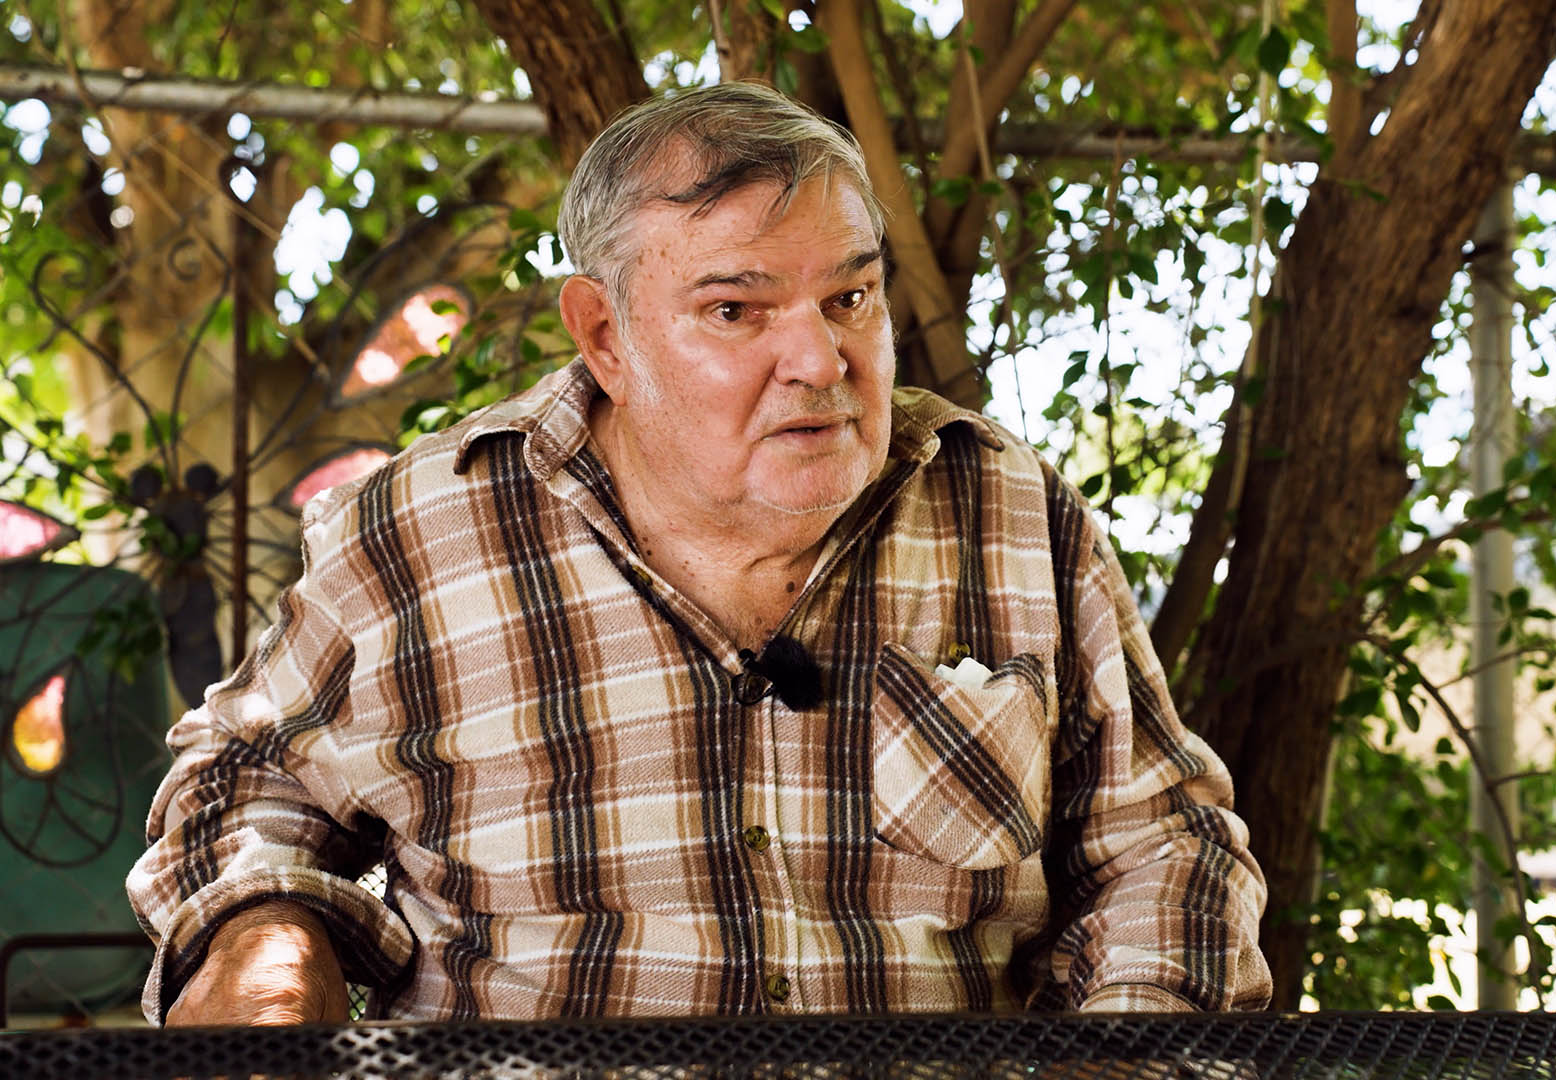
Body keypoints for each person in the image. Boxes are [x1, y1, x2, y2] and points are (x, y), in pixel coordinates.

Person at [127, 82, 1271, 1024]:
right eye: (737, 311)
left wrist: (1122, 1055)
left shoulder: (1006, 513)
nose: (819, 361)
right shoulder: (421, 535)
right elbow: (244, 780)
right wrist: (269, 941)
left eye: (851, 297)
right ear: (605, 336)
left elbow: (1163, 851)